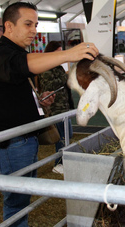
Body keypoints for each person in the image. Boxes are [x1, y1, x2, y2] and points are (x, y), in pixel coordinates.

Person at [0, 2, 98, 226]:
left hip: (22, 142)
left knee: (20, 203)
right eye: (27, 24)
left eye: (35, 24)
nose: (34, 30)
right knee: (16, 205)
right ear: (9, 26)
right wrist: (68, 54)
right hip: (10, 144)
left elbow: (10, 88)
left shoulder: (13, 53)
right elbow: (22, 64)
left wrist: (39, 98)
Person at [37, 41, 74, 175]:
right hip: (55, 109)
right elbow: (48, 87)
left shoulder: (57, 67)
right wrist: (65, 77)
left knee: (67, 136)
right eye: (58, 52)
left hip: (63, 107)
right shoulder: (47, 68)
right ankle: (58, 164)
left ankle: (63, 162)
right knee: (61, 137)